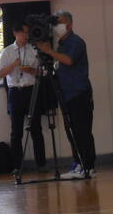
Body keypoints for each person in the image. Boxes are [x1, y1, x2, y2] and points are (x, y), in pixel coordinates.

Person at [35, 10, 96, 179]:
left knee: (82, 131)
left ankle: (88, 166)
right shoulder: (60, 44)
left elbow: (69, 60)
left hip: (79, 92)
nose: (56, 27)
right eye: (54, 23)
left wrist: (49, 51)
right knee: (72, 131)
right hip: (66, 94)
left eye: (59, 23)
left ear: (69, 25)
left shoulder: (76, 42)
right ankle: (78, 163)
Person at [0, 19, 46, 173]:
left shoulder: (33, 49)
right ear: (15, 33)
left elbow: (43, 73)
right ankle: (17, 166)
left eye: (27, 32)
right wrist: (14, 64)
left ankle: (41, 164)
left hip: (31, 91)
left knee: (36, 129)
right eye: (23, 32)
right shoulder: (7, 52)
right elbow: (0, 74)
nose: (26, 35)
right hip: (15, 93)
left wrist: (30, 70)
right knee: (16, 132)